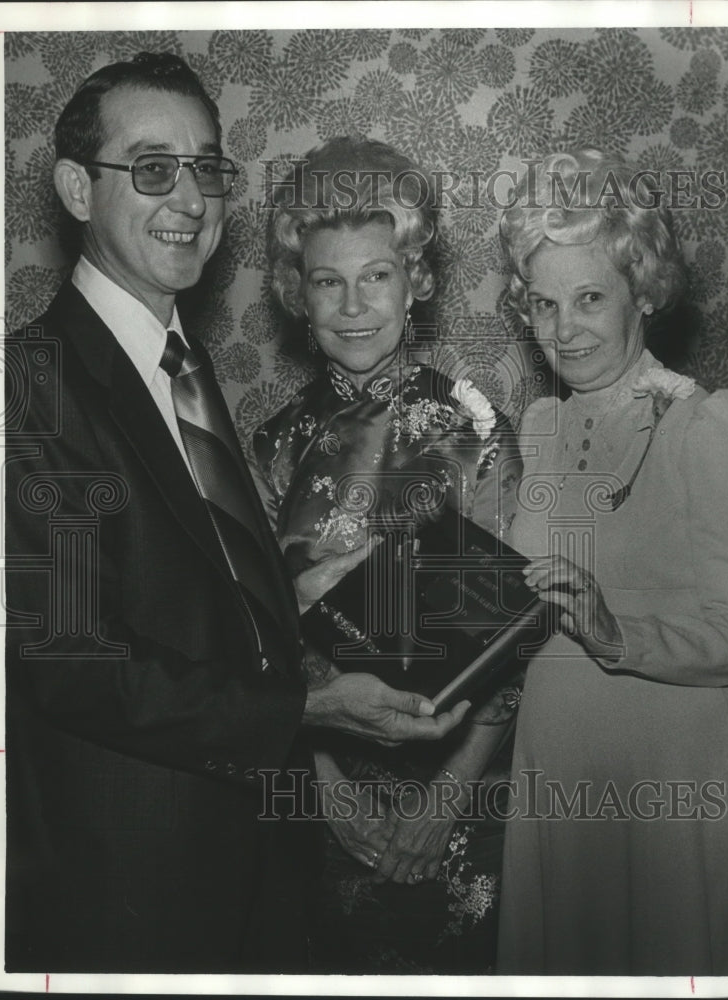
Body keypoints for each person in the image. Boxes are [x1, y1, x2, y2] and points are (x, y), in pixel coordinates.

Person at [3, 55, 468, 976]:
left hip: (252, 861)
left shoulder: (184, 362)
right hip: (128, 882)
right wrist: (313, 706)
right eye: (150, 168)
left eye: (206, 167)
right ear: (75, 190)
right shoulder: (29, 384)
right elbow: (73, 663)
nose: (190, 197)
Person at [254, 137, 524, 974]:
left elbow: (518, 636)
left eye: (376, 274)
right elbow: (261, 639)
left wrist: (447, 801)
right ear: (297, 295)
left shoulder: (475, 428)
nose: (352, 303)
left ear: (417, 281)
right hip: (323, 792)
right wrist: (327, 783)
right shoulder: (268, 446)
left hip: (462, 792)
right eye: (327, 281)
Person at [495, 149, 728, 976]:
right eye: (541, 303)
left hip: (669, 774)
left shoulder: (704, 426)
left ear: (642, 291)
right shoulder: (536, 426)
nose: (562, 329)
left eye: (589, 298)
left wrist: (614, 630)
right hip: (552, 760)